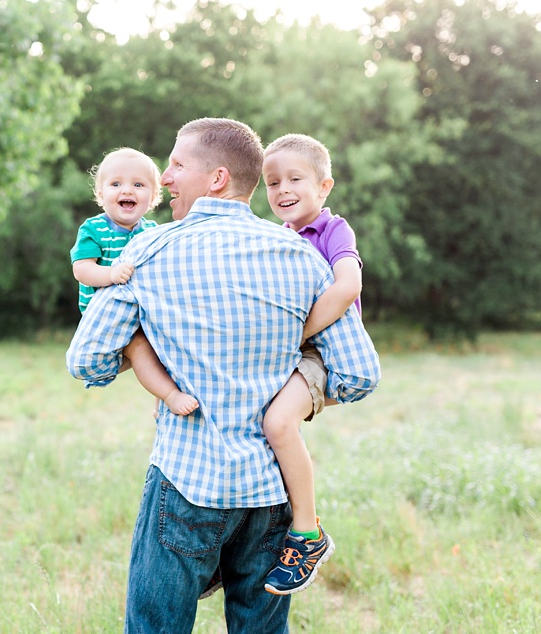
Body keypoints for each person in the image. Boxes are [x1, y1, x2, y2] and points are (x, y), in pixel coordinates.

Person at [66, 118, 380, 633]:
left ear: (214, 178)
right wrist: (285, 380)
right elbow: (359, 374)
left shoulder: (147, 250)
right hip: (270, 492)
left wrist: (147, 351)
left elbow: (86, 361)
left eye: (176, 165)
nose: (164, 179)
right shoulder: (301, 256)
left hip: (186, 483)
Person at [257, 133, 363, 596]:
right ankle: (247, 539)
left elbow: (346, 288)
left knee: (279, 424)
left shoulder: (332, 229)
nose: (282, 189)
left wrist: (294, 335)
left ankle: (307, 533)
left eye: (294, 179)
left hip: (322, 352)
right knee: (245, 420)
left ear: (324, 186)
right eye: (272, 181)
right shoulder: (276, 238)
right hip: (289, 353)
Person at [70, 147, 199, 416]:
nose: (127, 190)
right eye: (116, 184)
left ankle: (162, 395)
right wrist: (109, 275)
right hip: (106, 315)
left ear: (152, 197)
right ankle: (169, 395)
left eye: (138, 185)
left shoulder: (151, 232)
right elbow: (82, 270)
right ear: (101, 194)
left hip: (141, 310)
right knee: (139, 346)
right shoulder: (94, 229)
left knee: (168, 340)